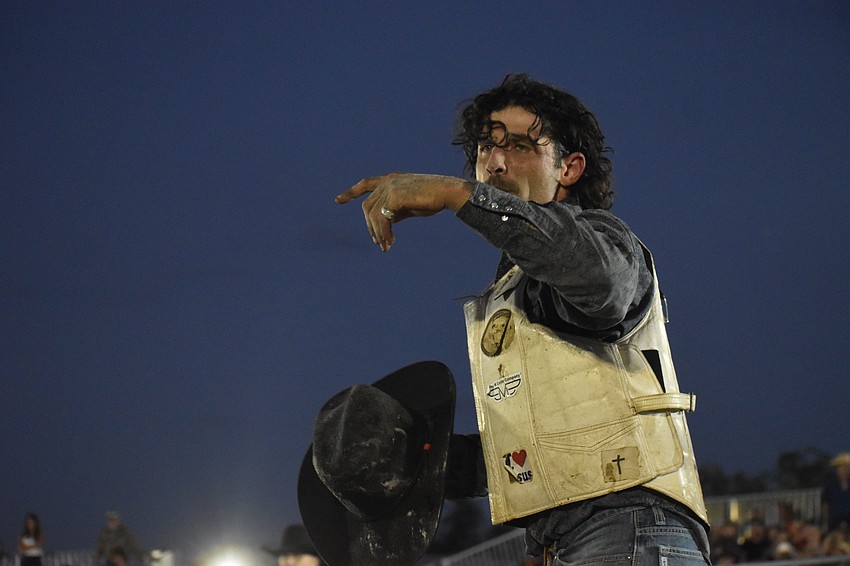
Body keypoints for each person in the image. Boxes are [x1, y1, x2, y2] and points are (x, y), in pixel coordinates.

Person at [333, 73, 710, 564]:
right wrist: (415, 457)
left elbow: (599, 283)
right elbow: (537, 451)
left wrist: (456, 194)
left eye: (519, 145)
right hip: (571, 540)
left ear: (570, 168)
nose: (493, 160)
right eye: (484, 148)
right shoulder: (511, 295)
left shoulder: (601, 238)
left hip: (629, 523)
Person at [822, 452, 850, 535]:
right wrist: (825, 522)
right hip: (834, 522)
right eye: (841, 467)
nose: (844, 469)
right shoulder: (830, 485)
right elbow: (825, 505)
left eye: (846, 467)